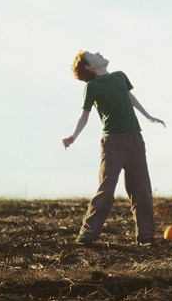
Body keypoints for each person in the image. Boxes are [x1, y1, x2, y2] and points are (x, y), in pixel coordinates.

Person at [62, 51, 166, 246]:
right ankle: (87, 236)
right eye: (93, 55)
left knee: (142, 189)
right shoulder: (92, 87)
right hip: (112, 143)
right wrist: (73, 136)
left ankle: (146, 237)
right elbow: (84, 115)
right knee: (106, 191)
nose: (99, 53)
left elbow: (130, 98)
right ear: (89, 67)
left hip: (135, 138)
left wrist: (148, 116)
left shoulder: (119, 76)